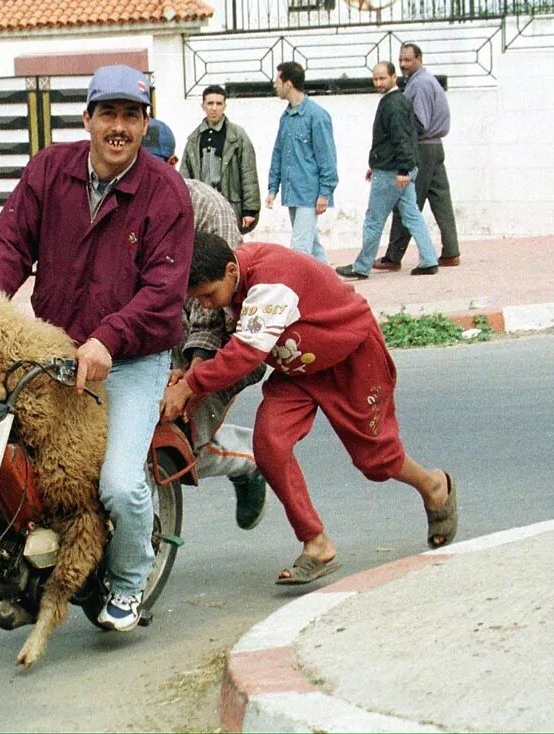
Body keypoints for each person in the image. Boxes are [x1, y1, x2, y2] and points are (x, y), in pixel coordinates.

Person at [0, 65, 194, 633]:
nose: (118, 127)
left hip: (132, 358)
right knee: (13, 456)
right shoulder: (50, 170)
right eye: (108, 114)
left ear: (145, 123)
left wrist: (108, 338)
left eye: (131, 115)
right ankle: (26, 572)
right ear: (88, 119)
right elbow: (9, 244)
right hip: (56, 348)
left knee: (119, 484)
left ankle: (127, 585)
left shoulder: (165, 192)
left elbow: (163, 291)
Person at [161, 232, 458, 584]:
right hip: (298, 369)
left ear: (230, 270)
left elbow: (245, 354)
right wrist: (191, 369)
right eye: (199, 299)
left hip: (351, 359)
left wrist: (191, 385)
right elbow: (229, 339)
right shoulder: (232, 279)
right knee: (269, 443)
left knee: (376, 460)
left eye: (209, 296)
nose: (206, 305)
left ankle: (434, 486)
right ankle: (316, 543)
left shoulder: (270, 280)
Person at [143, 118, 267, 530]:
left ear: (173, 162)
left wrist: (194, 376)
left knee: (179, 438)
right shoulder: (122, 210)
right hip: (153, 343)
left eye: (153, 164)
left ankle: (248, 461)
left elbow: (217, 301)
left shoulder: (207, 208)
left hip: (215, 343)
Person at [336, 62, 439, 280]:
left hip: (392, 172)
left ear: (394, 77)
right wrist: (379, 165)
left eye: (382, 78)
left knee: (374, 219)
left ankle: (362, 266)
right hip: (397, 169)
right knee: (412, 216)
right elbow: (397, 140)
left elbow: (401, 139)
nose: (378, 83)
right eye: (375, 79)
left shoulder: (393, 104)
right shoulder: (397, 101)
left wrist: (400, 169)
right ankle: (429, 260)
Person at [375, 43, 461, 270]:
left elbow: (418, 122)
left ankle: (393, 257)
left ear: (419, 59)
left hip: (422, 148)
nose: (403, 64)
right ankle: (451, 251)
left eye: (408, 60)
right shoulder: (426, 80)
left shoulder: (420, 85)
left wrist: (398, 138)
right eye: (401, 60)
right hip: (435, 147)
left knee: (406, 203)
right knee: (441, 201)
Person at [265, 61, 338, 264]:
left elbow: (327, 157)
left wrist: (325, 192)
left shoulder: (317, 115)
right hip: (293, 192)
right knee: (312, 248)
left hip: (309, 193)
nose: (274, 85)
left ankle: (301, 292)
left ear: (288, 83)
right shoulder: (286, 117)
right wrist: (273, 188)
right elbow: (278, 152)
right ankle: (332, 290)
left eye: (277, 80)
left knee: (300, 249)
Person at [180, 85, 261, 234]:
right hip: (203, 206)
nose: (214, 108)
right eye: (210, 103)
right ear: (203, 106)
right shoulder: (193, 139)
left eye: (219, 103)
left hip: (230, 204)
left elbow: (249, 173)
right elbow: (185, 177)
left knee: (231, 248)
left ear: (225, 106)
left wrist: (250, 209)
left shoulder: (237, 136)